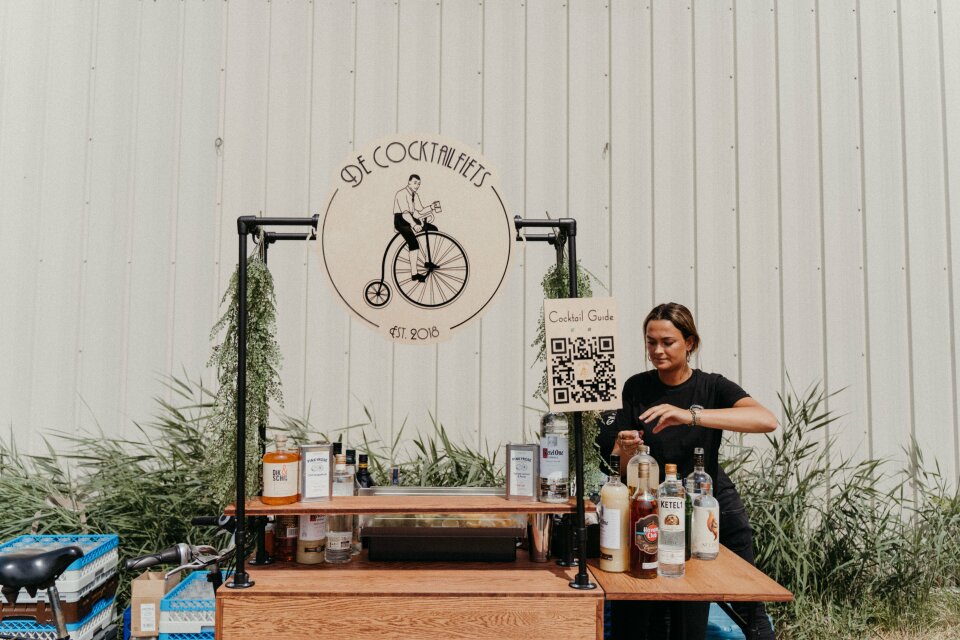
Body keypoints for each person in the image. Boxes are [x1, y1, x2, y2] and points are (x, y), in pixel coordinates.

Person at [599, 302, 777, 640]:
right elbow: (619, 467)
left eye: (667, 341)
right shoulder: (636, 387)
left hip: (707, 503)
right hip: (652, 507)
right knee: (652, 607)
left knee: (748, 604)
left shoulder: (711, 386)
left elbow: (766, 420)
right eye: (651, 342)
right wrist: (625, 446)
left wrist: (690, 415)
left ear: (689, 343)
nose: (657, 350)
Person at [393, 174, 439, 283]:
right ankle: (414, 274)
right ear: (409, 182)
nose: (417, 185)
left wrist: (431, 209)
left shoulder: (415, 195)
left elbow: (420, 210)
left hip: (411, 217)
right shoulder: (401, 194)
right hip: (401, 221)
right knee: (414, 244)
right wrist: (414, 225)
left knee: (433, 229)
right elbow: (405, 214)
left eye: (419, 183)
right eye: (415, 183)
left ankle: (428, 261)